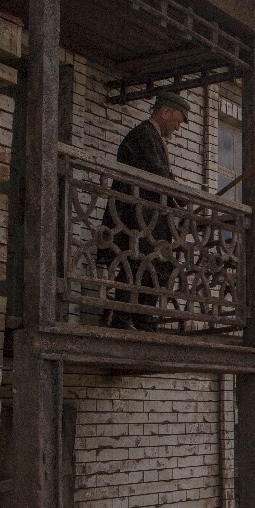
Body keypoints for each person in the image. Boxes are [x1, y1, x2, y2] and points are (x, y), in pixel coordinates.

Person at [99, 91, 190, 330]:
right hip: (135, 217)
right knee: (136, 265)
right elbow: (158, 174)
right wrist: (181, 196)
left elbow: (163, 176)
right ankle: (123, 318)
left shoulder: (153, 137)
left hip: (149, 219)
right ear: (165, 112)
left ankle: (143, 318)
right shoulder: (143, 135)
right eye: (178, 120)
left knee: (153, 266)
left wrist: (180, 199)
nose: (178, 127)